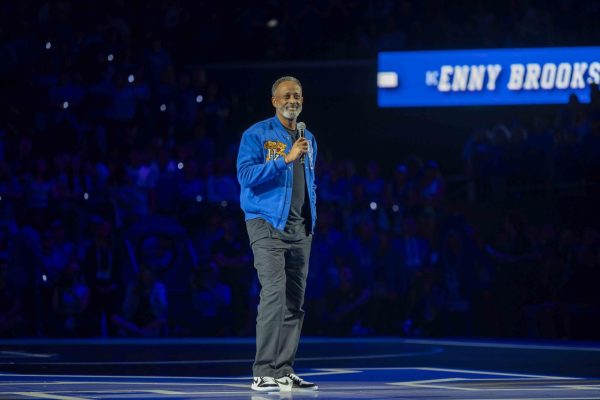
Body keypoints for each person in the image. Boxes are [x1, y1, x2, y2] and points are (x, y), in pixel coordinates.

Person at [236, 76, 318, 392]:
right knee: (274, 292)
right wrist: (285, 159)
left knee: (295, 301)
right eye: (286, 95)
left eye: (296, 95)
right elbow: (245, 176)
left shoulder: (307, 137)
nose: (292, 100)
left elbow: (308, 185)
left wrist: (311, 219)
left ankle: (284, 369)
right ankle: (263, 370)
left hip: (299, 227)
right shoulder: (256, 134)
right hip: (266, 223)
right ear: (274, 101)